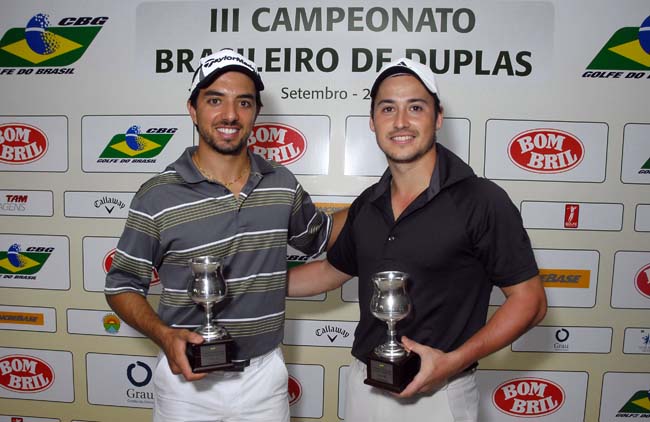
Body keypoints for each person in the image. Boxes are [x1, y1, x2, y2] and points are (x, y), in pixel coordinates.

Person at [288, 58, 547, 421]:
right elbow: (334, 270)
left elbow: (530, 302)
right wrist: (254, 282)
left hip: (439, 393)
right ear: (373, 122)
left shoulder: (481, 200)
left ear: (437, 117)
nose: (400, 122)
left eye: (416, 107)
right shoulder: (368, 203)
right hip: (364, 385)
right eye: (388, 108)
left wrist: (452, 362)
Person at [105, 49, 340, 422]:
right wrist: (165, 337)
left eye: (243, 102)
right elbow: (121, 284)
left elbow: (322, 236)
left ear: (255, 113)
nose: (230, 115)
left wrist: (385, 195)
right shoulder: (157, 195)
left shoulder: (281, 184)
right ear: (193, 109)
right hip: (187, 384)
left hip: (264, 378)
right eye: (215, 100)